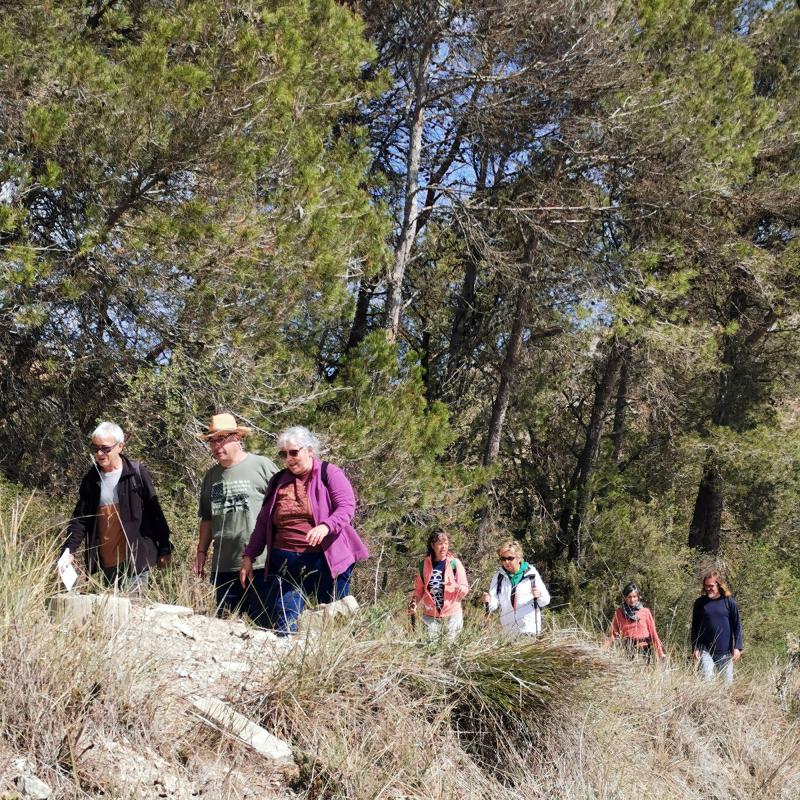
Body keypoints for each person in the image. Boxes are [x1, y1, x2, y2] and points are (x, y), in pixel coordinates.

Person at [240, 425, 369, 634]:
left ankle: (336, 660)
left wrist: (326, 526)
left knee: (334, 615)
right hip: (285, 563)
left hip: (325, 559)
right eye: (283, 454)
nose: (288, 458)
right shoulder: (277, 481)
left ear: (309, 450)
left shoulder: (329, 473)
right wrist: (249, 556)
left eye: (293, 452)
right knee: (286, 618)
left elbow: (346, 507)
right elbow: (263, 523)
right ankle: (285, 651)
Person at [62, 421, 172, 593]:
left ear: (120, 446)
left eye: (105, 448)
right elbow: (80, 519)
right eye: (96, 448)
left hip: (136, 559)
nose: (99, 454)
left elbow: (154, 512)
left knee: (133, 609)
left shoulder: (135, 473)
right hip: (108, 561)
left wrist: (164, 547)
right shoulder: (91, 479)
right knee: (113, 614)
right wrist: (68, 550)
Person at [193, 413, 278, 624]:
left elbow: (281, 507)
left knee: (264, 627)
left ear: (236, 437)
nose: (215, 446)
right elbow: (207, 518)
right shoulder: (211, 476)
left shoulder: (262, 466)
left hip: (260, 562)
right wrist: (201, 552)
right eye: (212, 441)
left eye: (221, 439)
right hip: (224, 564)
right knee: (226, 627)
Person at [408, 531, 469, 642]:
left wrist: (456, 586)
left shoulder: (455, 563)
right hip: (430, 616)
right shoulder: (423, 565)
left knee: (451, 650)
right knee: (431, 650)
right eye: (440, 543)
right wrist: (414, 603)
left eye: (445, 543)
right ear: (432, 545)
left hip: (453, 615)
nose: (444, 546)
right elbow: (419, 591)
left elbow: (465, 589)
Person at [482, 540, 550, 636]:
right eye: (503, 559)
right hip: (508, 631)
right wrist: (487, 601)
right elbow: (493, 605)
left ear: (519, 558)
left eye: (510, 558)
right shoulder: (499, 576)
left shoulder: (531, 573)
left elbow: (545, 601)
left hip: (529, 629)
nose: (506, 562)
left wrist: (539, 595)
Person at [691, 570, 743, 685]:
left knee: (727, 685)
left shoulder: (729, 602)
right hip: (705, 650)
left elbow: (737, 625)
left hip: (725, 651)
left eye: (711, 586)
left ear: (719, 585)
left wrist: (738, 648)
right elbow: (695, 626)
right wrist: (695, 647)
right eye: (706, 586)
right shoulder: (700, 603)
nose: (708, 588)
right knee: (706, 681)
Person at [602, 582, 665, 660]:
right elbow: (612, 634)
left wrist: (660, 653)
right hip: (627, 651)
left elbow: (653, 634)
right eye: (629, 597)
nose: (632, 600)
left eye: (634, 596)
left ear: (638, 597)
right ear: (625, 597)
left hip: (644, 653)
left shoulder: (645, 612)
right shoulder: (619, 612)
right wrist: (603, 649)